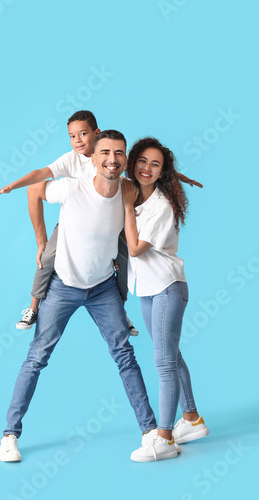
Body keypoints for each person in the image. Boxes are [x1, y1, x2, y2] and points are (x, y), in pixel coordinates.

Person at [0, 130, 159, 463]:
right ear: (95, 158)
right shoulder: (72, 187)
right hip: (63, 287)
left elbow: (162, 175)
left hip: (102, 289)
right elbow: (34, 189)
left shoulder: (128, 193)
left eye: (118, 154)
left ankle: (151, 433)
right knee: (36, 357)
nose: (111, 159)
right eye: (104, 153)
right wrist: (42, 242)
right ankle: (9, 435)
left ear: (125, 160)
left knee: (124, 356)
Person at [0, 110, 202, 334]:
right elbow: (40, 174)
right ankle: (33, 307)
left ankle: (120, 311)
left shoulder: (111, 156)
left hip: (112, 219)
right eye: (72, 136)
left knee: (126, 258)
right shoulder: (70, 159)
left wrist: (180, 177)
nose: (78, 140)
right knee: (48, 255)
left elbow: (147, 169)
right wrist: (11, 187)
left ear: (96, 134)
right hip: (77, 222)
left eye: (83, 134)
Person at [121, 137, 209, 463]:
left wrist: (127, 205)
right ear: (133, 162)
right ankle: (193, 420)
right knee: (172, 356)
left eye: (155, 164)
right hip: (147, 289)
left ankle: (165, 438)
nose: (147, 168)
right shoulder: (131, 190)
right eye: (142, 161)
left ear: (162, 171)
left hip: (167, 288)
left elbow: (135, 248)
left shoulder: (161, 205)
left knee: (163, 362)